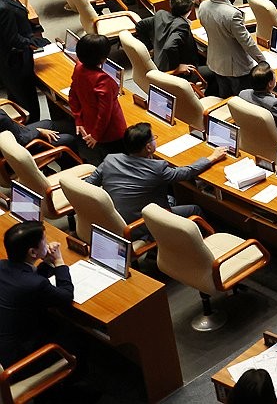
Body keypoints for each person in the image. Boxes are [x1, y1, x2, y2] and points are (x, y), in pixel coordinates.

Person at [86, 122, 224, 225]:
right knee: (195, 209)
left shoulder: (110, 159)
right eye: (154, 139)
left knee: (170, 199)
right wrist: (212, 157)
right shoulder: (157, 169)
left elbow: (88, 185)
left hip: (114, 217)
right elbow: (188, 172)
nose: (154, 140)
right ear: (148, 147)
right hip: (140, 223)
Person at [0, 221, 75, 370]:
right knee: (76, 339)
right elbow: (66, 296)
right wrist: (59, 262)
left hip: (5, 340)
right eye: (44, 241)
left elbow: (27, 279)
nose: (47, 244)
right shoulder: (36, 285)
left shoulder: (2, 265)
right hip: (16, 359)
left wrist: (46, 263)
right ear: (33, 252)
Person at [197, 0, 266, 97]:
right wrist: (262, 61)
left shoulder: (203, 6)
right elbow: (246, 42)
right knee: (242, 100)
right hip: (237, 67)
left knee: (226, 97)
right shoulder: (232, 14)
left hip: (216, 62)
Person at [135, 0, 213, 85]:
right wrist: (177, 67)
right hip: (179, 72)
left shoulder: (161, 15)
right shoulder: (182, 25)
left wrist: (150, 48)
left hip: (160, 62)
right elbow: (170, 46)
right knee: (215, 71)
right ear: (190, 10)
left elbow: (140, 26)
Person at [69, 33, 127, 157]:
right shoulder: (104, 82)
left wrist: (78, 119)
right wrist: (96, 135)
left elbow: (73, 95)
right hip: (111, 132)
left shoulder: (78, 67)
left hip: (89, 124)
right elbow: (104, 114)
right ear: (103, 58)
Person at [0, 0, 44, 120]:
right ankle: (35, 135)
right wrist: (31, 44)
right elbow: (12, 38)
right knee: (27, 102)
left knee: (18, 97)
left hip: (10, 60)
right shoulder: (3, 7)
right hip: (15, 62)